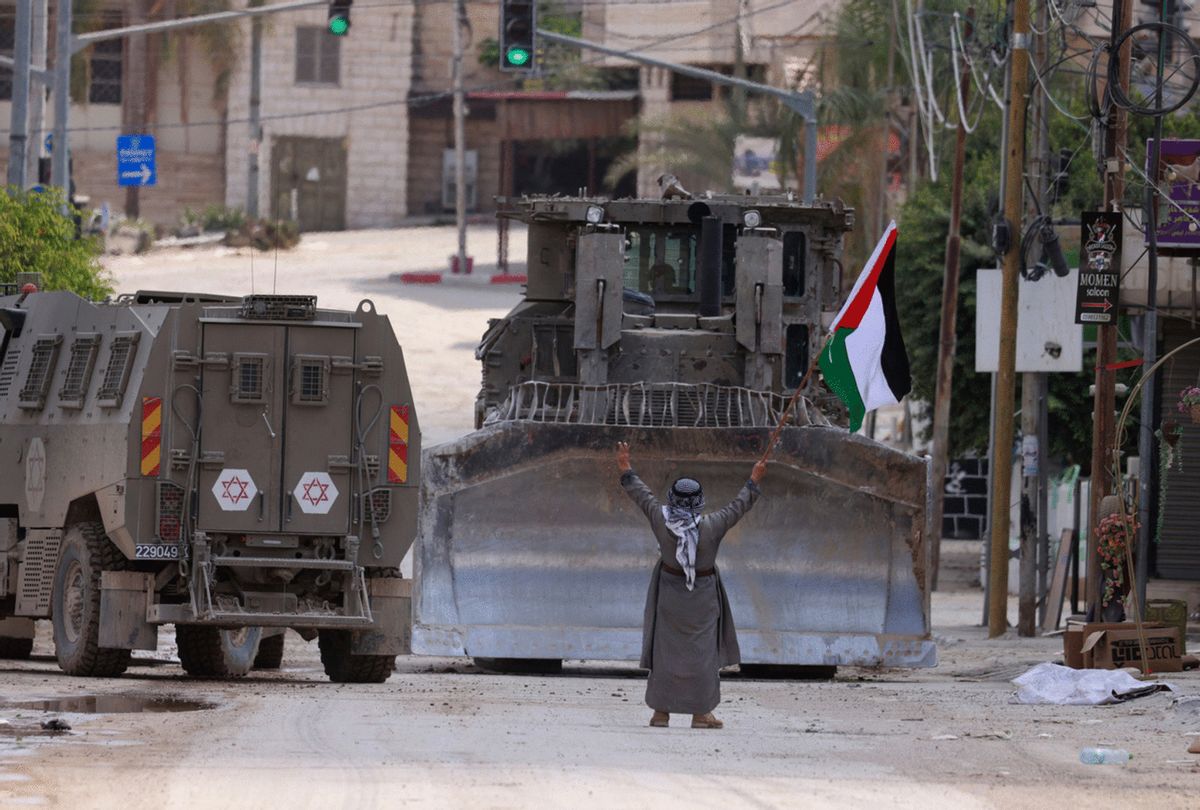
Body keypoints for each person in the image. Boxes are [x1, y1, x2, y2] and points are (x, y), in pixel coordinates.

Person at [615, 441, 766, 729]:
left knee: (665, 651)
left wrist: (625, 467)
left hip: (669, 594)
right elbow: (739, 506)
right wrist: (754, 480)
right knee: (703, 654)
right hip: (703, 596)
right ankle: (700, 714)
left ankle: (661, 713)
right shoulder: (714, 525)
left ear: (671, 499)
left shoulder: (661, 519)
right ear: (700, 501)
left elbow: (641, 495)